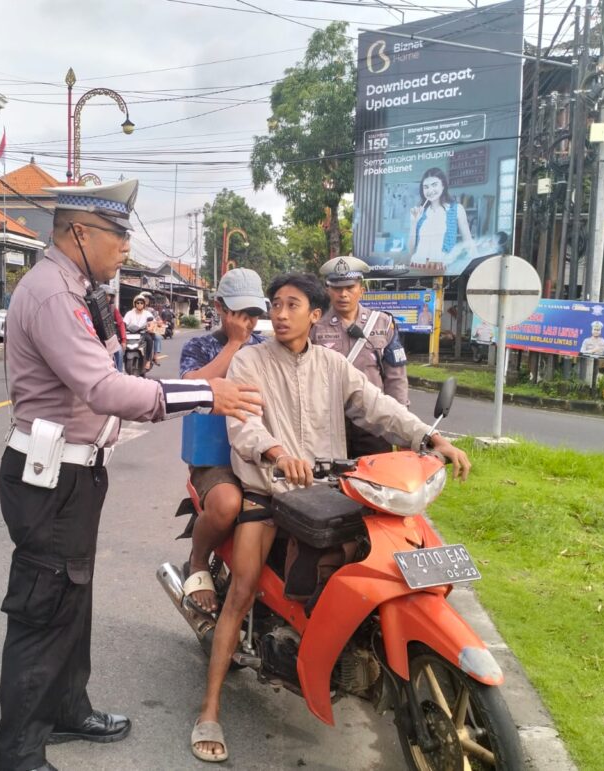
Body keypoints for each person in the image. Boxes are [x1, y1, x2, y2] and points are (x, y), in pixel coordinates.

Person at [0, 178, 262, 771]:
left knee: (72, 599)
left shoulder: (80, 290)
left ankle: (67, 708)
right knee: (43, 612)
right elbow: (106, 388)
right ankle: (17, 757)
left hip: (74, 475)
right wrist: (206, 395)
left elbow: (114, 365)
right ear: (80, 233)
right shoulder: (50, 295)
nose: (124, 248)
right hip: (50, 478)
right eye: (117, 235)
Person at [190, 271, 470, 764]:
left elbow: (379, 407)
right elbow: (244, 425)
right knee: (242, 589)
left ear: (315, 315)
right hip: (267, 489)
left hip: (326, 495)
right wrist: (275, 451)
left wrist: (430, 439)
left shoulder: (334, 366)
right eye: (275, 304)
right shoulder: (249, 362)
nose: (278, 314)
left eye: (291, 305)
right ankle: (210, 709)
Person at [179, 268, 268, 615]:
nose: (247, 322)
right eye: (240, 313)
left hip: (260, 450)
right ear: (220, 308)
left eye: (254, 314)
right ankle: (198, 560)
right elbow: (190, 388)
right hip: (215, 456)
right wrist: (234, 345)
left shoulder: (268, 347)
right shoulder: (199, 346)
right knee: (228, 504)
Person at [311, 255, 410, 457]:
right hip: (330, 423)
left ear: (361, 290)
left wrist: (402, 426)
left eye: (349, 287)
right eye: (337, 288)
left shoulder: (382, 324)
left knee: (376, 480)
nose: (343, 294)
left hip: (373, 421)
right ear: (328, 290)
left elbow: (396, 378)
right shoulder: (314, 326)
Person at [408, 167, 479, 270]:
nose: (430, 190)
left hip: (442, 270)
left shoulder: (457, 209)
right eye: (426, 187)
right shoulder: (420, 212)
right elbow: (410, 251)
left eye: (434, 185)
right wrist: (413, 223)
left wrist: (477, 265)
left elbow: (468, 242)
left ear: (443, 185)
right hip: (418, 268)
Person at [123, 294, 157, 371]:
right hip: (131, 333)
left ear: (144, 304)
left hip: (143, 332)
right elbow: (124, 323)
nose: (139, 304)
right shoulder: (129, 313)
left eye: (141, 303)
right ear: (135, 304)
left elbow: (152, 322)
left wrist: (150, 328)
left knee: (149, 340)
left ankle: (148, 360)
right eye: (138, 303)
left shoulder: (147, 313)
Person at [100, 284, 125, 372]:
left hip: (110, 338)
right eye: (105, 295)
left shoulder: (113, 308)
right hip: (96, 339)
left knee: (119, 351)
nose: (107, 297)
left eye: (109, 295)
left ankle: (119, 375)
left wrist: (123, 340)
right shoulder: (92, 307)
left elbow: (120, 323)